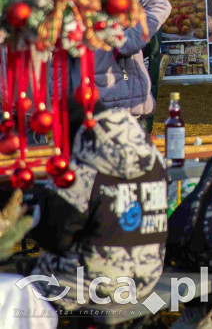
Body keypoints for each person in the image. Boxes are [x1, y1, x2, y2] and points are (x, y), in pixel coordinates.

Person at [28, 104, 169, 315]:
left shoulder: (82, 173)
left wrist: (36, 209)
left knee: (17, 286)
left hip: (95, 286)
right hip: (146, 280)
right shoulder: (156, 160)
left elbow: (55, 239)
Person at [94, 0, 172, 119]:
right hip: (115, 76)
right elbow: (161, 4)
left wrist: (130, 40)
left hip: (113, 72)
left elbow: (161, 4)